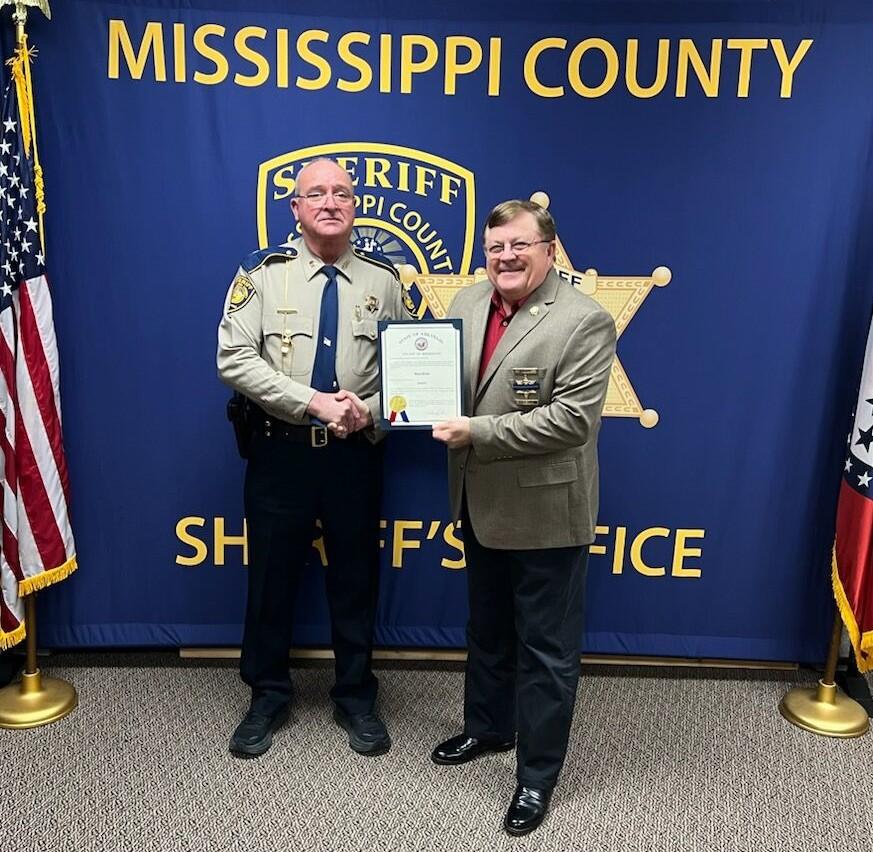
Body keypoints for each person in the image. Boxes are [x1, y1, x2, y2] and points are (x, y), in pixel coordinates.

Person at [431, 200, 616, 835]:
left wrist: (475, 430)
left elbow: (571, 421)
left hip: (545, 510)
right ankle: (487, 729)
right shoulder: (466, 302)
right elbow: (438, 384)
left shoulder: (584, 320)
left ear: (550, 250)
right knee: (487, 631)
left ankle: (537, 777)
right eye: (494, 248)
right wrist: (387, 404)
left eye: (519, 245)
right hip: (479, 502)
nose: (505, 258)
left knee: (545, 651)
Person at [217, 158, 409, 758]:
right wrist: (313, 403)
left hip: (354, 455)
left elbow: (409, 370)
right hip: (282, 453)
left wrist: (368, 411)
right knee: (271, 579)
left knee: (355, 579)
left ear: (356, 206)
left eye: (342, 193)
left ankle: (355, 697)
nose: (330, 202)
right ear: (295, 209)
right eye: (316, 194)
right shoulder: (262, 276)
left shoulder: (386, 281)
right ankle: (267, 695)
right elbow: (234, 359)